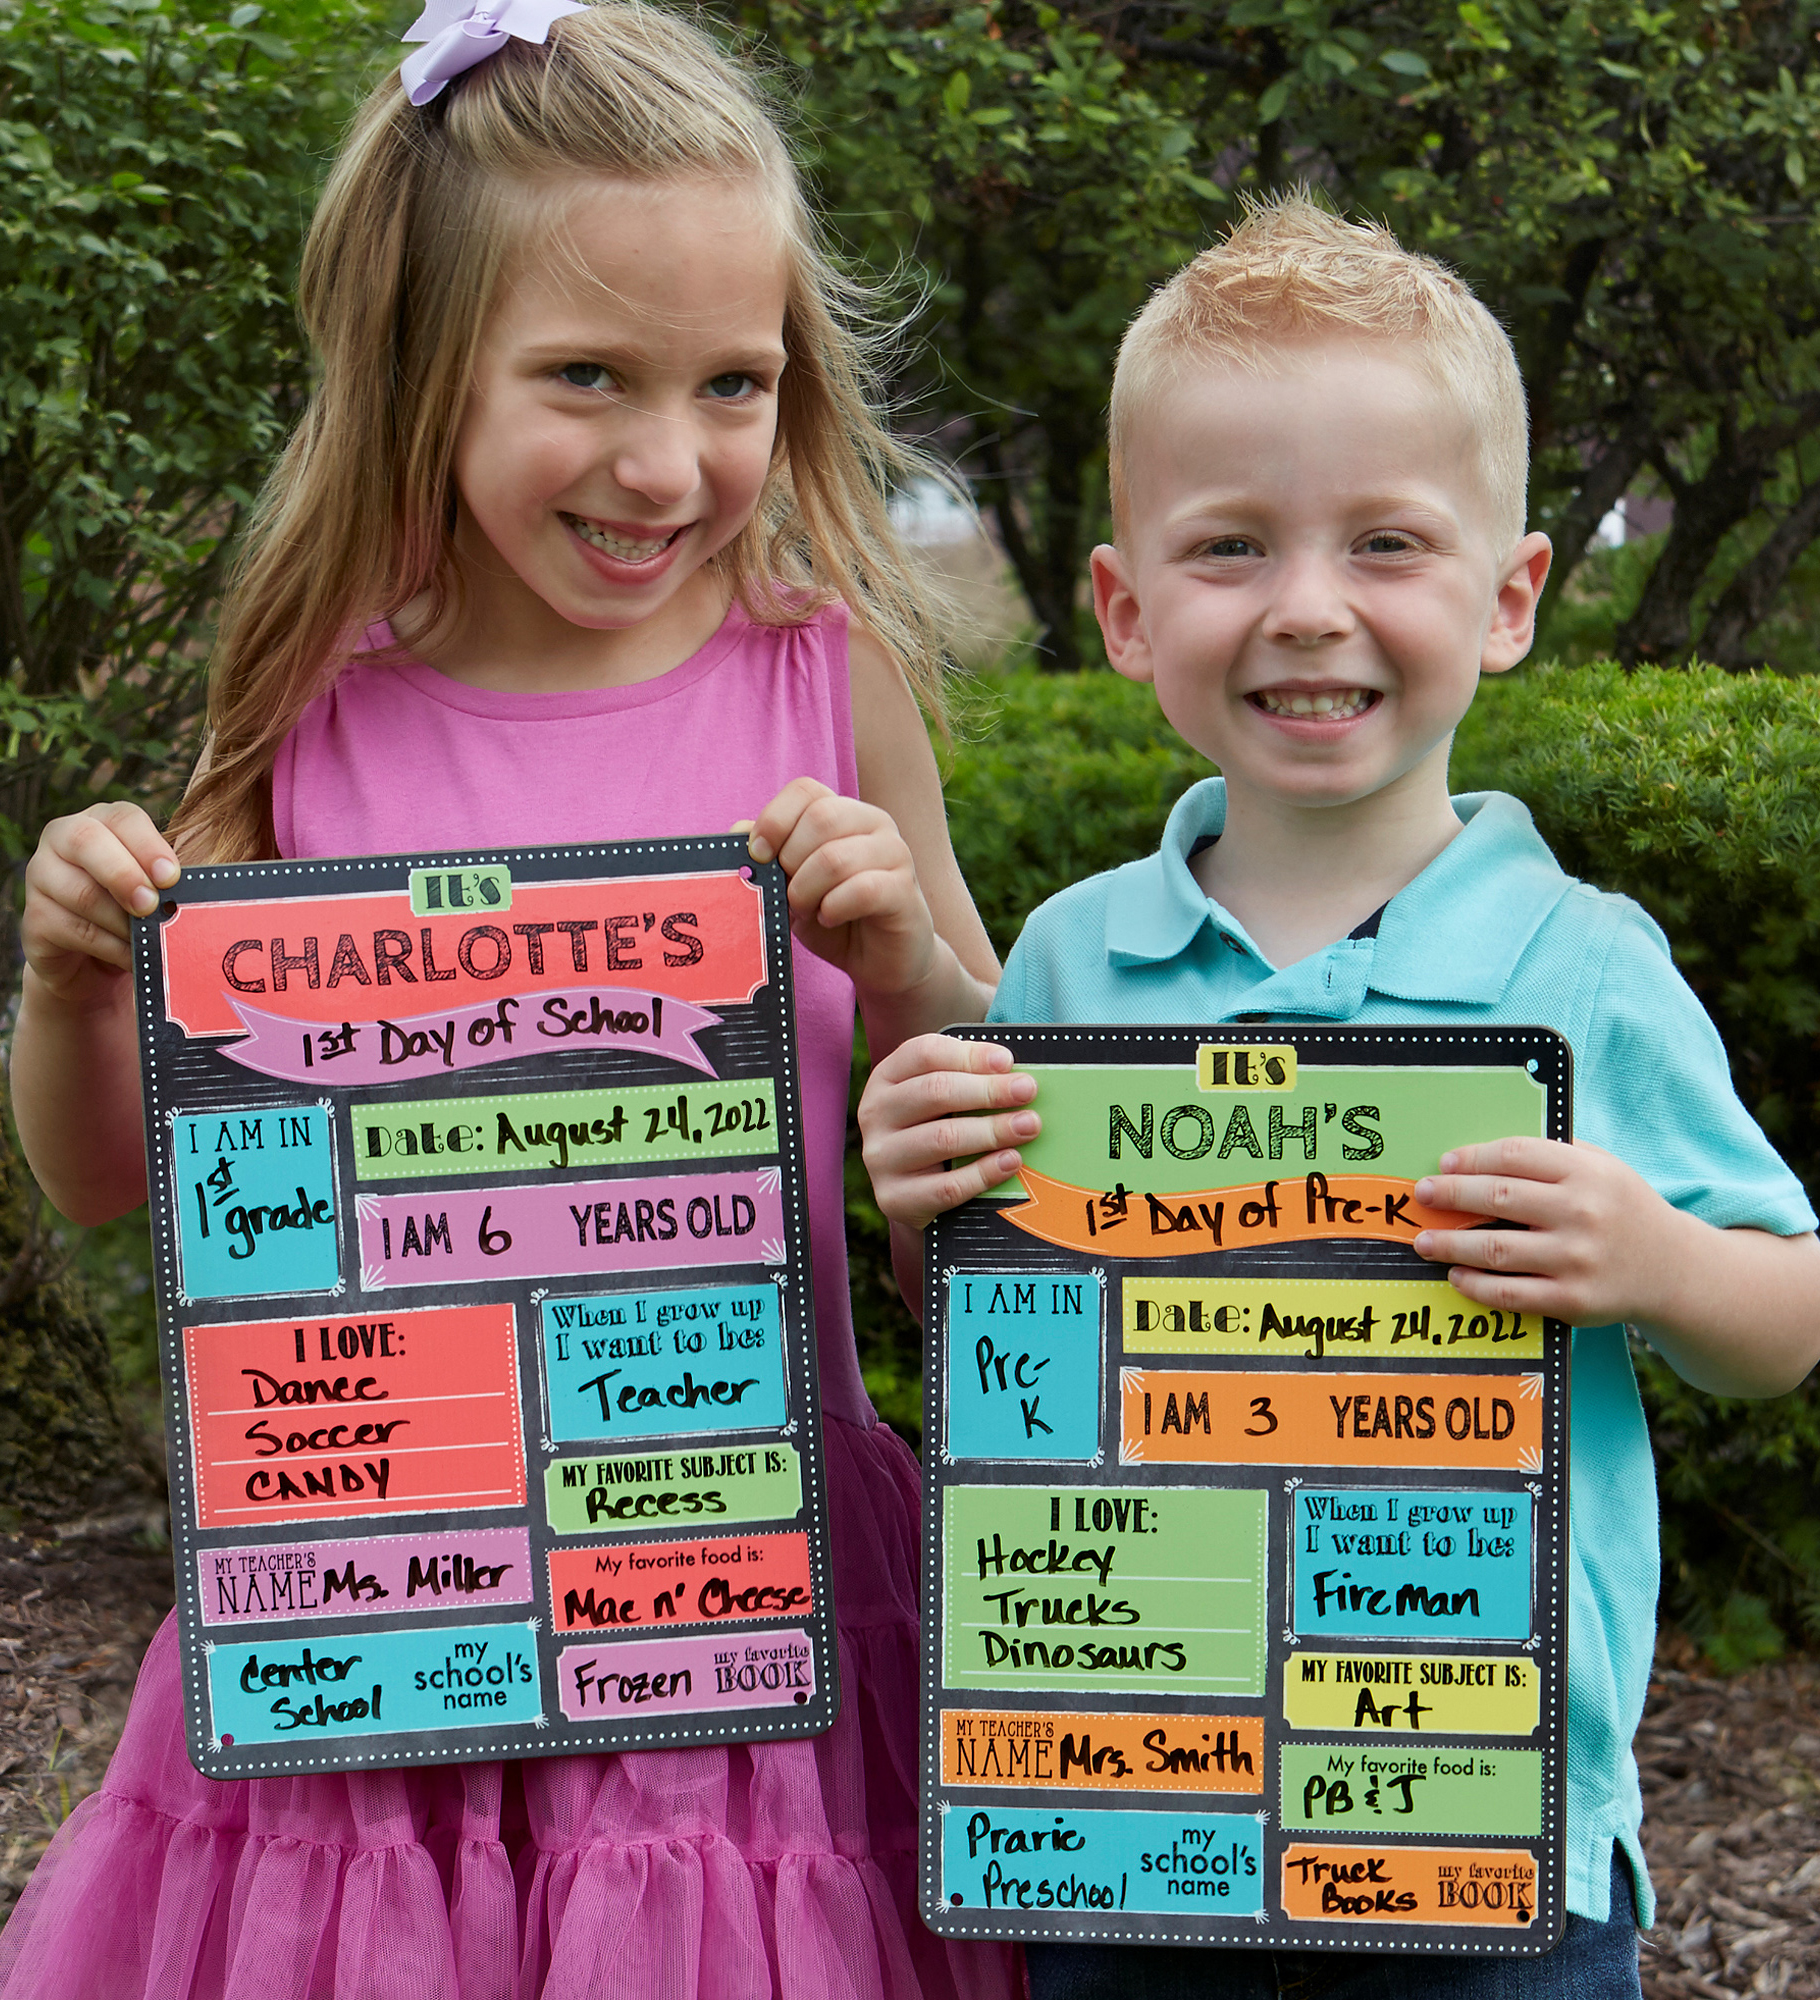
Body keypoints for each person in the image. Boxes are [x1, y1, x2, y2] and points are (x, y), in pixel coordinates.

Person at [2, 8, 1023, 1997]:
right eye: (585, 379)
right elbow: (116, 1177)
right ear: (419, 375)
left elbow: (977, 1178)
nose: (669, 460)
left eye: (735, 383)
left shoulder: (827, 673)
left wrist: (901, 958)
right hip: (379, 1597)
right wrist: (63, 978)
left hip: (738, 1605)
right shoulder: (309, 701)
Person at [859, 194, 1820, 2000]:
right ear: (1128, 611)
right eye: (1231, 547)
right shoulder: (1066, 967)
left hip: (1483, 1833)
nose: (1310, 609)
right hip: (1131, 1804)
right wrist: (931, 1219)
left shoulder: (1582, 967)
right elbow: (1012, 1376)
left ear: (1510, 596)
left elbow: (1787, 1316)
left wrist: (1659, 1264)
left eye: (1387, 542)